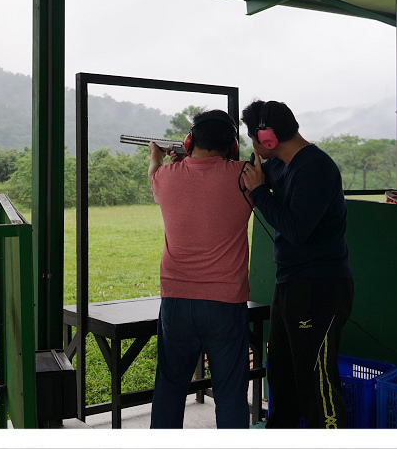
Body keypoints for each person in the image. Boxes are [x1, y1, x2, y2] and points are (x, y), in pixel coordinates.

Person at [239, 100, 354, 429]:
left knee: (317, 384)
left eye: (253, 137)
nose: (253, 145)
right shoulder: (281, 165)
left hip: (320, 288)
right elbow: (256, 174)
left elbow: (295, 229)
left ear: (269, 139)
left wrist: (259, 191)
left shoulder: (315, 168)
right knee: (282, 377)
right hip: (291, 284)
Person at [148, 110, 253, 429]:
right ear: (233, 147)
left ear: (189, 141)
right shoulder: (243, 174)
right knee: (231, 393)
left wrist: (158, 157)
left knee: (169, 388)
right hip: (226, 302)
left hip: (176, 300)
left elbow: (154, 173)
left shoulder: (166, 176)